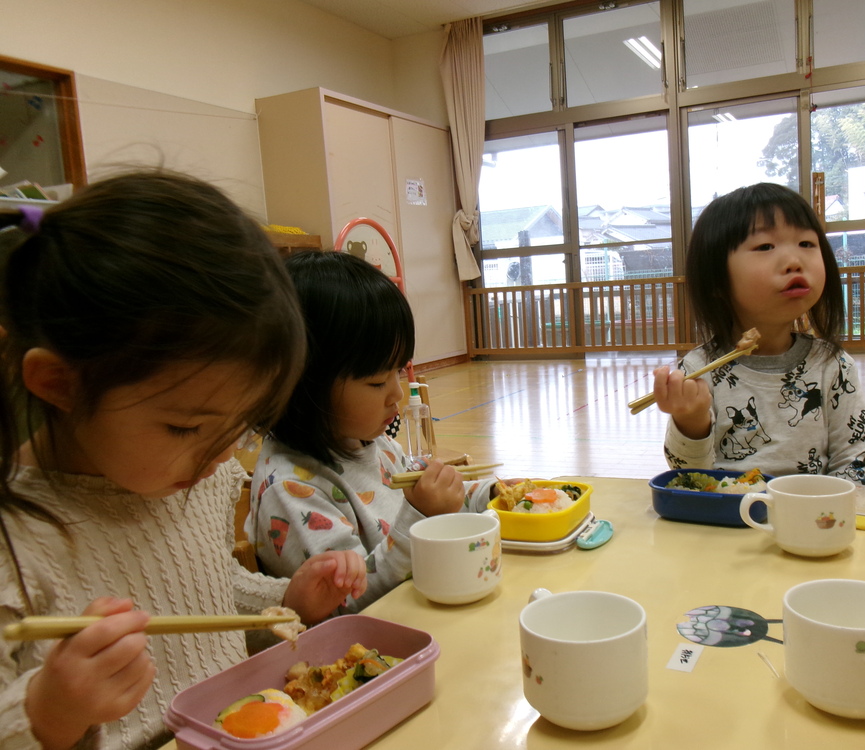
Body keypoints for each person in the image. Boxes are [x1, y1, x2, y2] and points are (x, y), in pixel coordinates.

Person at [0, 172, 368, 750]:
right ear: (58, 384)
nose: (222, 457)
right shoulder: (15, 537)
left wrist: (282, 601)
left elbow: (205, 589)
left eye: (241, 425)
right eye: (185, 426)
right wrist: (49, 711)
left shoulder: (195, 478)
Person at [247, 251, 496, 610]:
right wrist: (423, 518)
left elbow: (433, 489)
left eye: (399, 371)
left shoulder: (373, 442)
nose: (397, 393)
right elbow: (349, 601)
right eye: (378, 382)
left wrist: (491, 493)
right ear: (302, 384)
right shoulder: (290, 490)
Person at [652, 182, 865, 485]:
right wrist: (691, 422)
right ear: (716, 280)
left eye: (807, 244)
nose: (795, 261)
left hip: (812, 517)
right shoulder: (699, 370)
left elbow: (855, 461)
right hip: (729, 518)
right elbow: (690, 477)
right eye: (765, 247)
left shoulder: (834, 365)